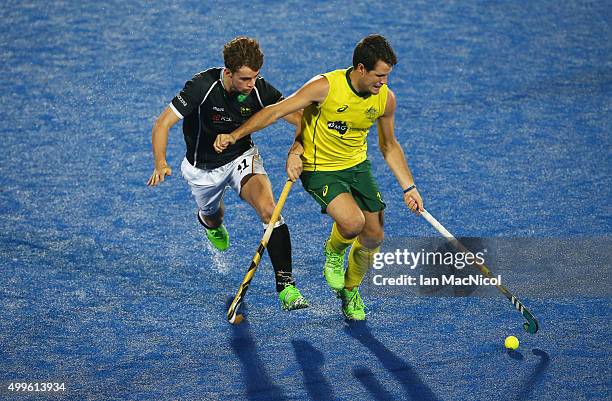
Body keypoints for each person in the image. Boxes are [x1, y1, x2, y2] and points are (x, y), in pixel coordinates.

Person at [214, 34, 424, 321]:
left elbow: (389, 146)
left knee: (374, 236)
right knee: (352, 223)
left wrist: (408, 187)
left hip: (357, 166)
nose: (383, 82)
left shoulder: (385, 100)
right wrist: (236, 135)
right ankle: (334, 251)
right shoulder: (325, 86)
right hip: (319, 167)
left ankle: (350, 290)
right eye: (379, 75)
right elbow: (276, 111)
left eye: (387, 76)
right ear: (361, 68)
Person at [147, 36, 308, 311]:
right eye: (245, 79)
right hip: (202, 169)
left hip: (240, 157)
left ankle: (286, 287)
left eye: (255, 77)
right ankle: (209, 222)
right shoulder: (202, 86)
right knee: (214, 216)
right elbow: (163, 124)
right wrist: (160, 162)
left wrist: (297, 146)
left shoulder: (259, 90)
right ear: (228, 72)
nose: (251, 85)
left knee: (270, 210)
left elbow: (302, 118)